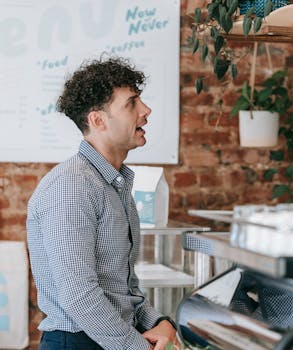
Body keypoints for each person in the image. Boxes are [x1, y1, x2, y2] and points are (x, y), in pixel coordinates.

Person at [26, 57, 179, 350]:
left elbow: (123, 289)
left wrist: (159, 322)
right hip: (78, 343)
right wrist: (136, 347)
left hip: (109, 340)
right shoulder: (70, 187)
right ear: (98, 120)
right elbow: (79, 296)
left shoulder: (113, 183)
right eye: (132, 103)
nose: (146, 111)